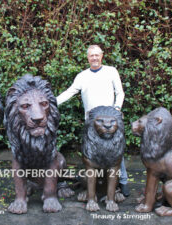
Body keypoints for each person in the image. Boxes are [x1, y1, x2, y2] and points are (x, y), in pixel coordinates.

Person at [56, 45, 130, 197]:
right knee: (90, 154)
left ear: (102, 56)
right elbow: (69, 92)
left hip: (110, 121)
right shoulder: (82, 76)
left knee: (116, 152)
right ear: (88, 57)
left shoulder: (111, 71)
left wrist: (116, 109)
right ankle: (91, 186)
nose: (94, 58)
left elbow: (120, 92)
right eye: (91, 56)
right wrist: (52, 101)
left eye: (97, 55)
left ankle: (122, 182)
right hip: (92, 124)